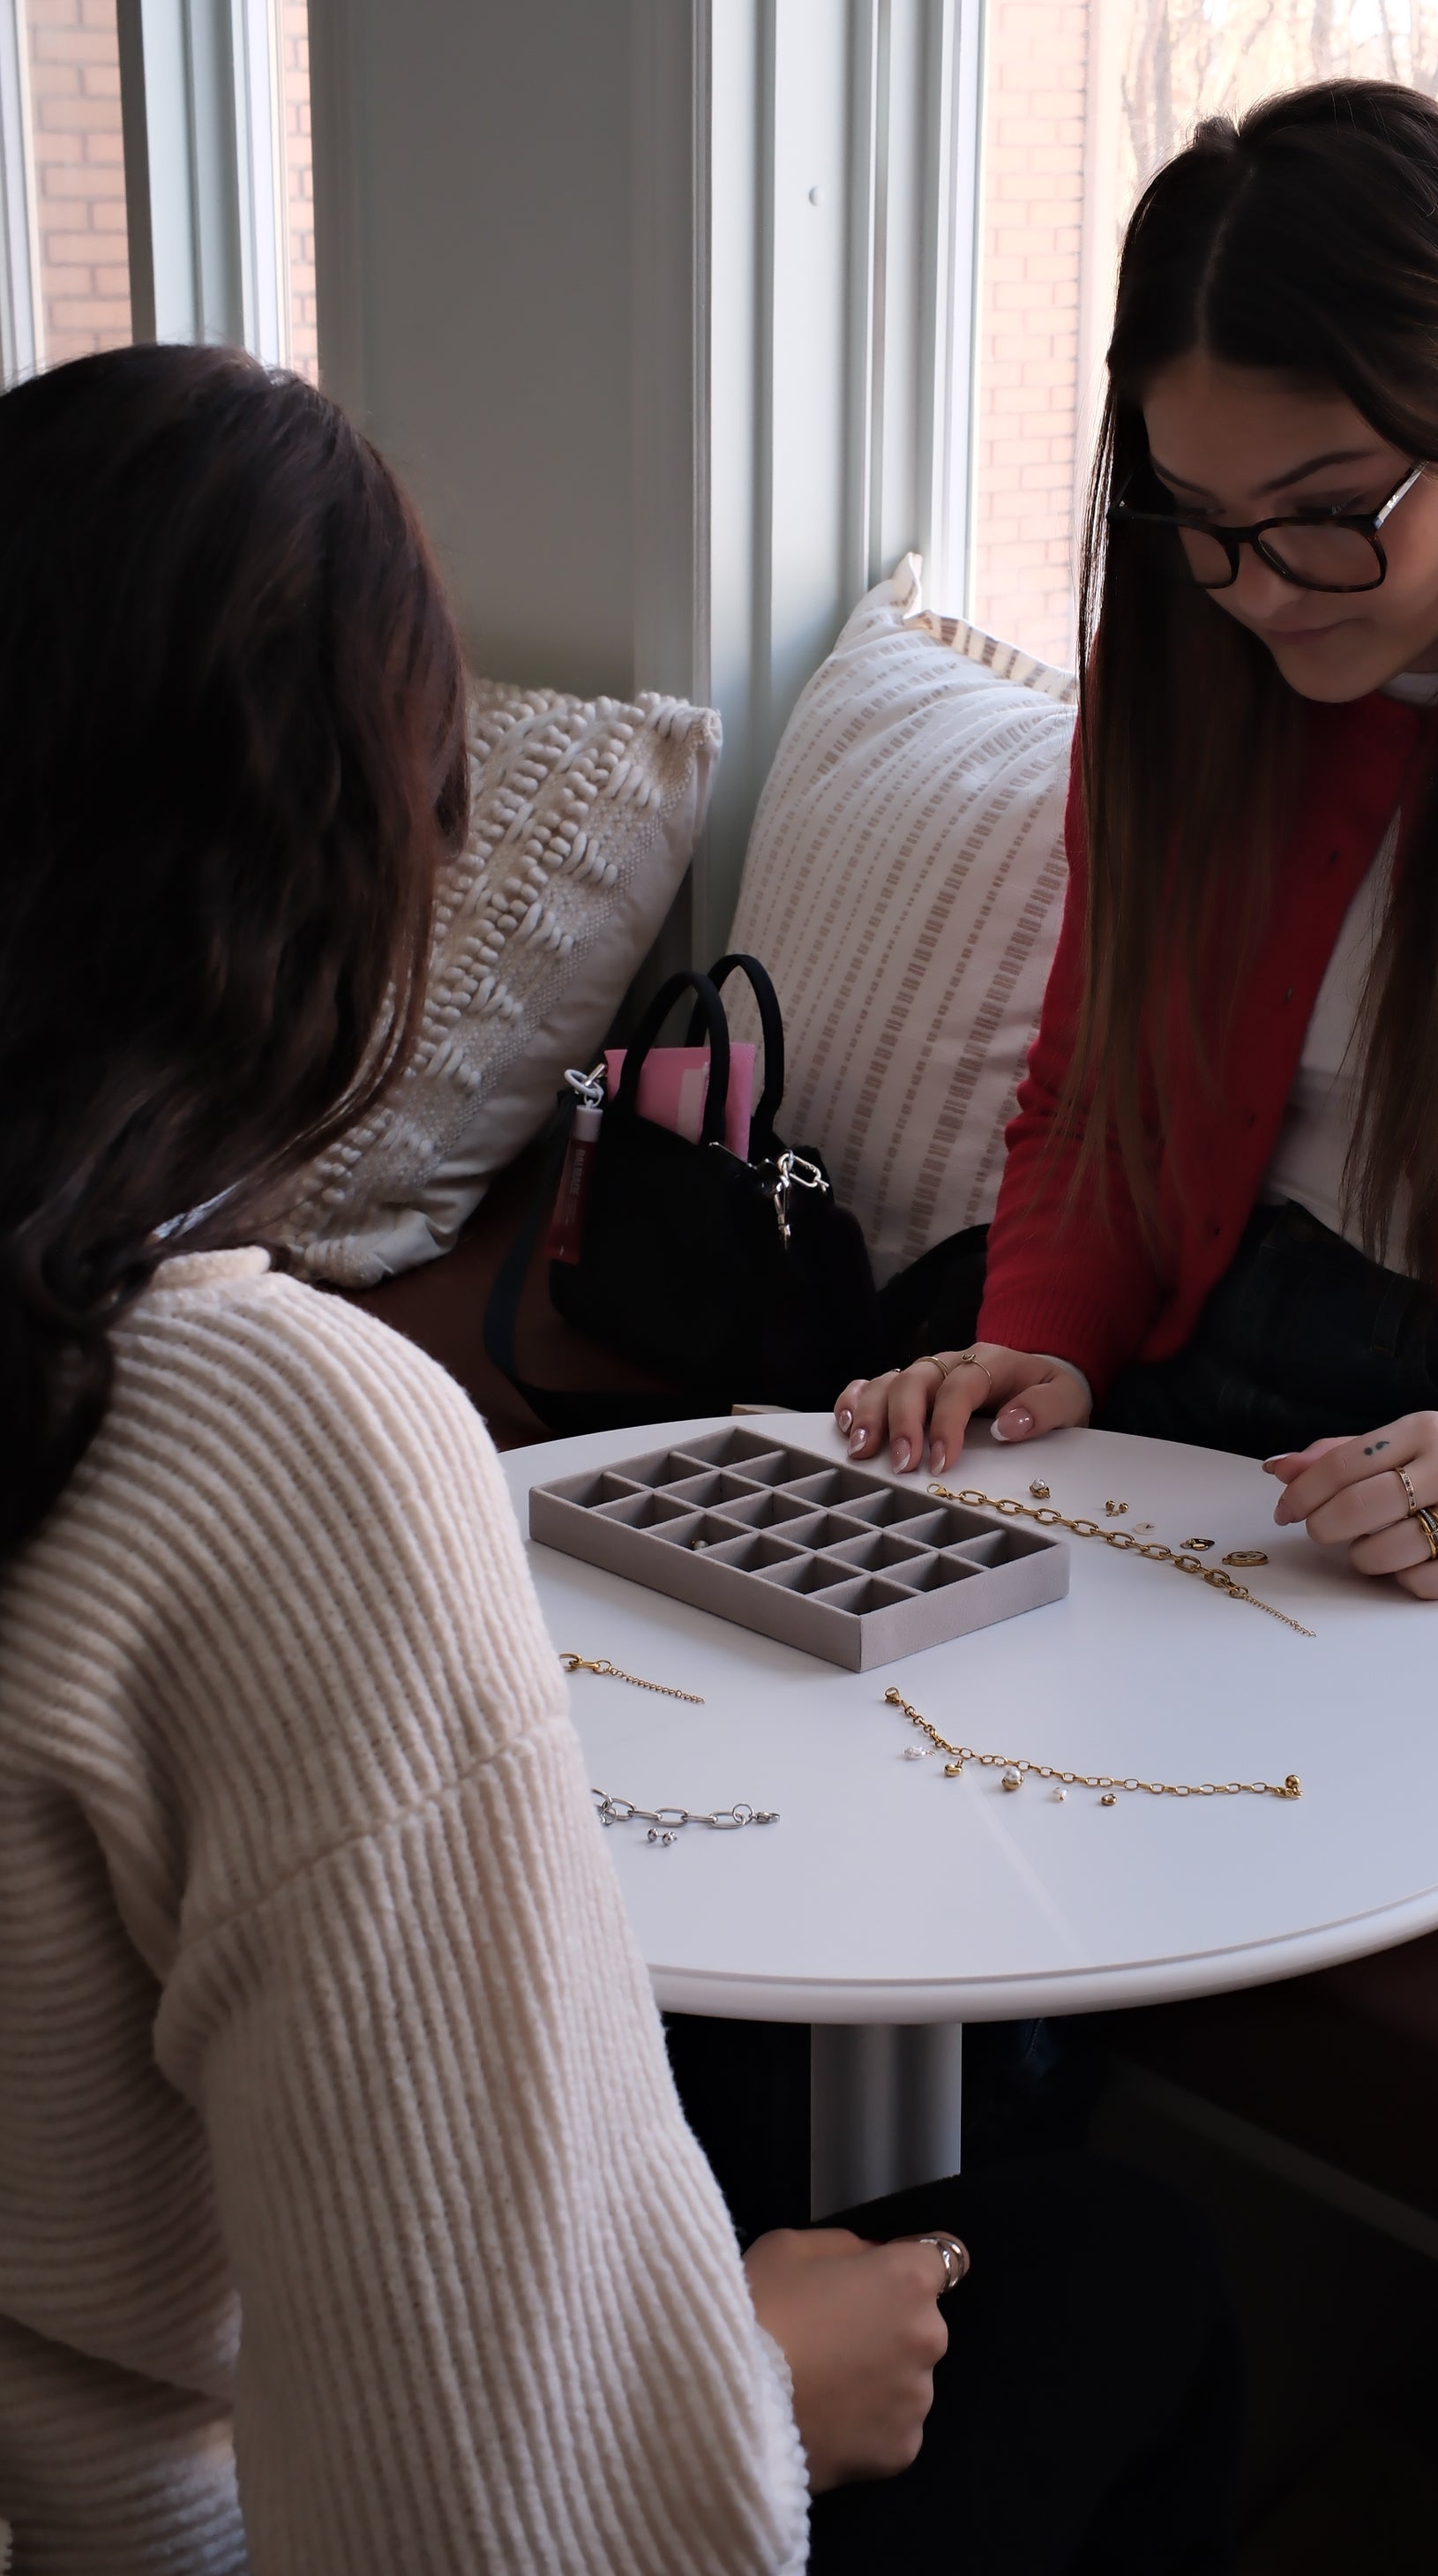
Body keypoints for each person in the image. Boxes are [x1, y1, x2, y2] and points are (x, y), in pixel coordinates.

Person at [0, 345, 1236, 2575]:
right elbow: (473, 2520)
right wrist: (758, 2385)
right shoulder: (271, 1446)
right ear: (345, 876)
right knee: (1123, 2276)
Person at [839, 79, 1438, 1777]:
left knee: (1284, 1806)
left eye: (1327, 512)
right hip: (1202, 1357)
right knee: (904, 1743)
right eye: (1199, 519)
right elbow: (1094, 1102)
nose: (1254, 589)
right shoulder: (1181, 672)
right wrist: (1043, 1336)